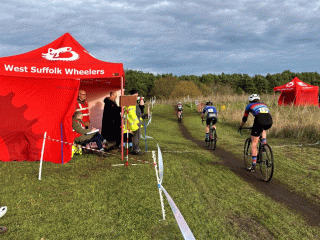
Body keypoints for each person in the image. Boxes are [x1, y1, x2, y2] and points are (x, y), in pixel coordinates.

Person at [238, 94, 273, 171]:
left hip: (259, 120)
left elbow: (245, 118)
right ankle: (264, 144)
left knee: (254, 143)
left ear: (250, 100)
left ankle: (253, 165)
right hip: (269, 120)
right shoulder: (264, 104)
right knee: (263, 128)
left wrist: (241, 126)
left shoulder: (249, 105)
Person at [125, 89, 143, 155]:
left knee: (136, 136)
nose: (136, 97)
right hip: (134, 123)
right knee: (136, 137)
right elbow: (131, 112)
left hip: (135, 122)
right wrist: (137, 121)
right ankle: (136, 150)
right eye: (135, 96)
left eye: (137, 96)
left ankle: (135, 148)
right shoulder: (131, 101)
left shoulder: (132, 101)